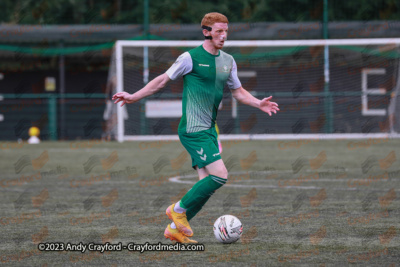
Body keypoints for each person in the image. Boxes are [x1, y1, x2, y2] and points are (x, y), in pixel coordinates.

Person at [112, 12, 279, 243]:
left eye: (226, 31)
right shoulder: (189, 58)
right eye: (219, 31)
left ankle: (174, 230)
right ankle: (177, 210)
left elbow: (238, 91)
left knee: (206, 184)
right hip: (192, 129)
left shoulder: (228, 61)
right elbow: (162, 80)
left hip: (209, 129)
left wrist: (258, 102)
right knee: (220, 176)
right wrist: (133, 96)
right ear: (206, 32)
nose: (223, 36)